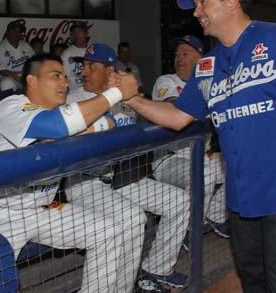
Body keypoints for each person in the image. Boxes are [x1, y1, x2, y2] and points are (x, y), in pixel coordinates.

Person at [116, 0, 276, 293]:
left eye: (203, 3)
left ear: (232, 0)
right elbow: (178, 115)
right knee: (252, 280)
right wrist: (133, 99)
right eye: (195, 5)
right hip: (239, 198)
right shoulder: (208, 65)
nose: (197, 12)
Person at [0, 53, 139, 293]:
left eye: (66, 77)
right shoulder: (10, 106)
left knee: (108, 231)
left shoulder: (66, 112)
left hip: (43, 209)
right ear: (32, 81)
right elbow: (55, 127)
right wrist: (117, 94)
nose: (65, 83)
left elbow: (90, 123)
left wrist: (91, 125)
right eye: (56, 75)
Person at [67, 43, 189, 291]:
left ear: (110, 70)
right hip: (86, 181)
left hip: (122, 176)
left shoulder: (126, 100)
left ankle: (157, 268)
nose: (84, 71)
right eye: (84, 65)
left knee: (179, 201)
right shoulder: (75, 98)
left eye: (92, 65)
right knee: (132, 218)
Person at [151, 35, 229, 243]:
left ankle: (214, 215)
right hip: (169, 158)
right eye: (177, 54)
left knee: (239, 164)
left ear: (200, 58)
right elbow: (177, 107)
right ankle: (188, 230)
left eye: (186, 54)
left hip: (198, 154)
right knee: (203, 174)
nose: (179, 58)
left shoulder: (209, 83)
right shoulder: (166, 81)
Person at [0, 19, 34, 93]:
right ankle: (11, 104)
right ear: (8, 32)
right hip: (7, 77)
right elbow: (1, 69)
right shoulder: (1, 48)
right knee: (6, 83)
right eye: (14, 31)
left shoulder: (26, 46)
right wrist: (18, 78)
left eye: (20, 31)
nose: (17, 33)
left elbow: (34, 62)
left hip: (24, 77)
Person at [61, 21, 89, 91]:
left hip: (91, 92)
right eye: (74, 32)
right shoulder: (67, 53)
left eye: (80, 31)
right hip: (75, 93)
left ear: (86, 33)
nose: (77, 35)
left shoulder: (93, 51)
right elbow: (65, 77)